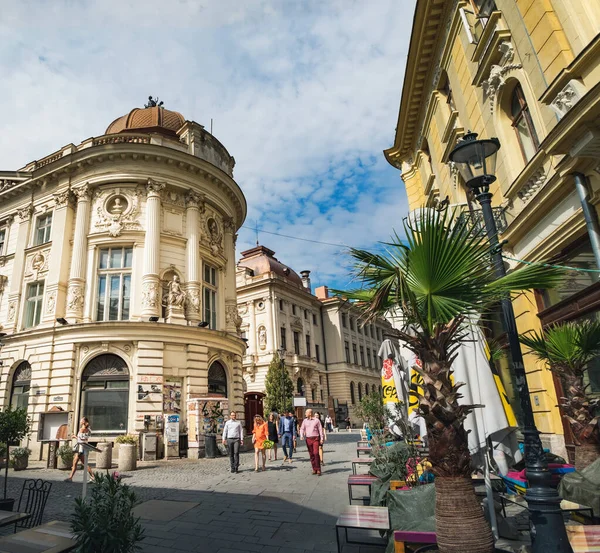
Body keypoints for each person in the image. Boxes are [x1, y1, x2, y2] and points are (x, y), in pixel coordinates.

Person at [66, 417, 95, 482]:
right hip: (83, 447)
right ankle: (70, 478)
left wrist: (74, 436)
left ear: (83, 422)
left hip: (80, 448)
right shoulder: (88, 429)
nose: (80, 421)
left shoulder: (82, 429)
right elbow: (86, 439)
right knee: (75, 462)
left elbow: (81, 439)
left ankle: (93, 477)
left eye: (81, 420)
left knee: (84, 464)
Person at [299, 409, 324, 476]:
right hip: (308, 439)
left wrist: (322, 438)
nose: (305, 414)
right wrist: (301, 435)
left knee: (316, 453)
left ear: (310, 413)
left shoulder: (316, 420)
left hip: (315, 438)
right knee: (311, 454)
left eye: (306, 413)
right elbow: (302, 429)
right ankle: (314, 468)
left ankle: (318, 469)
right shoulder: (305, 421)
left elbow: (320, 429)